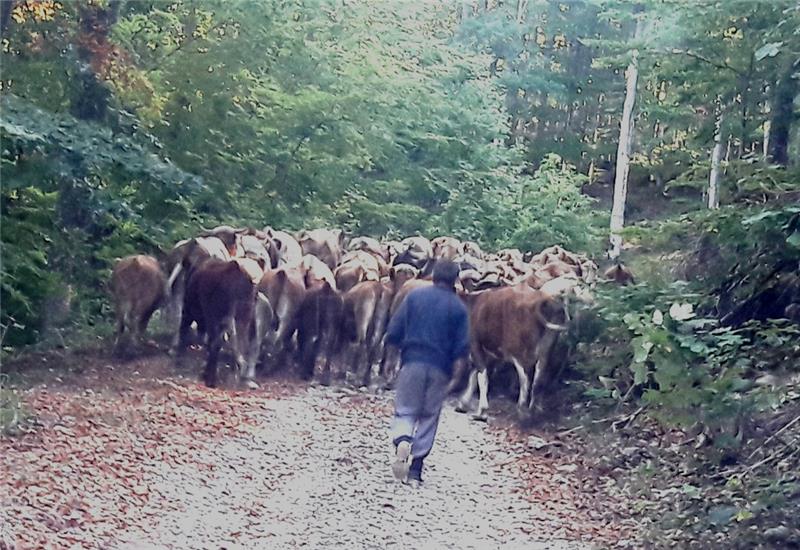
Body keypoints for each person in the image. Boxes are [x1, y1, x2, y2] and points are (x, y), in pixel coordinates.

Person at [385, 259, 470, 486]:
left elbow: (394, 331)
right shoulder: (459, 308)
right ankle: (415, 469)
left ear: (432, 275)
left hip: (412, 362)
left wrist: (391, 360)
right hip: (440, 368)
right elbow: (463, 349)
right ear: (456, 280)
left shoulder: (414, 297)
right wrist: (456, 377)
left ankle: (403, 440)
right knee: (429, 415)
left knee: (405, 410)